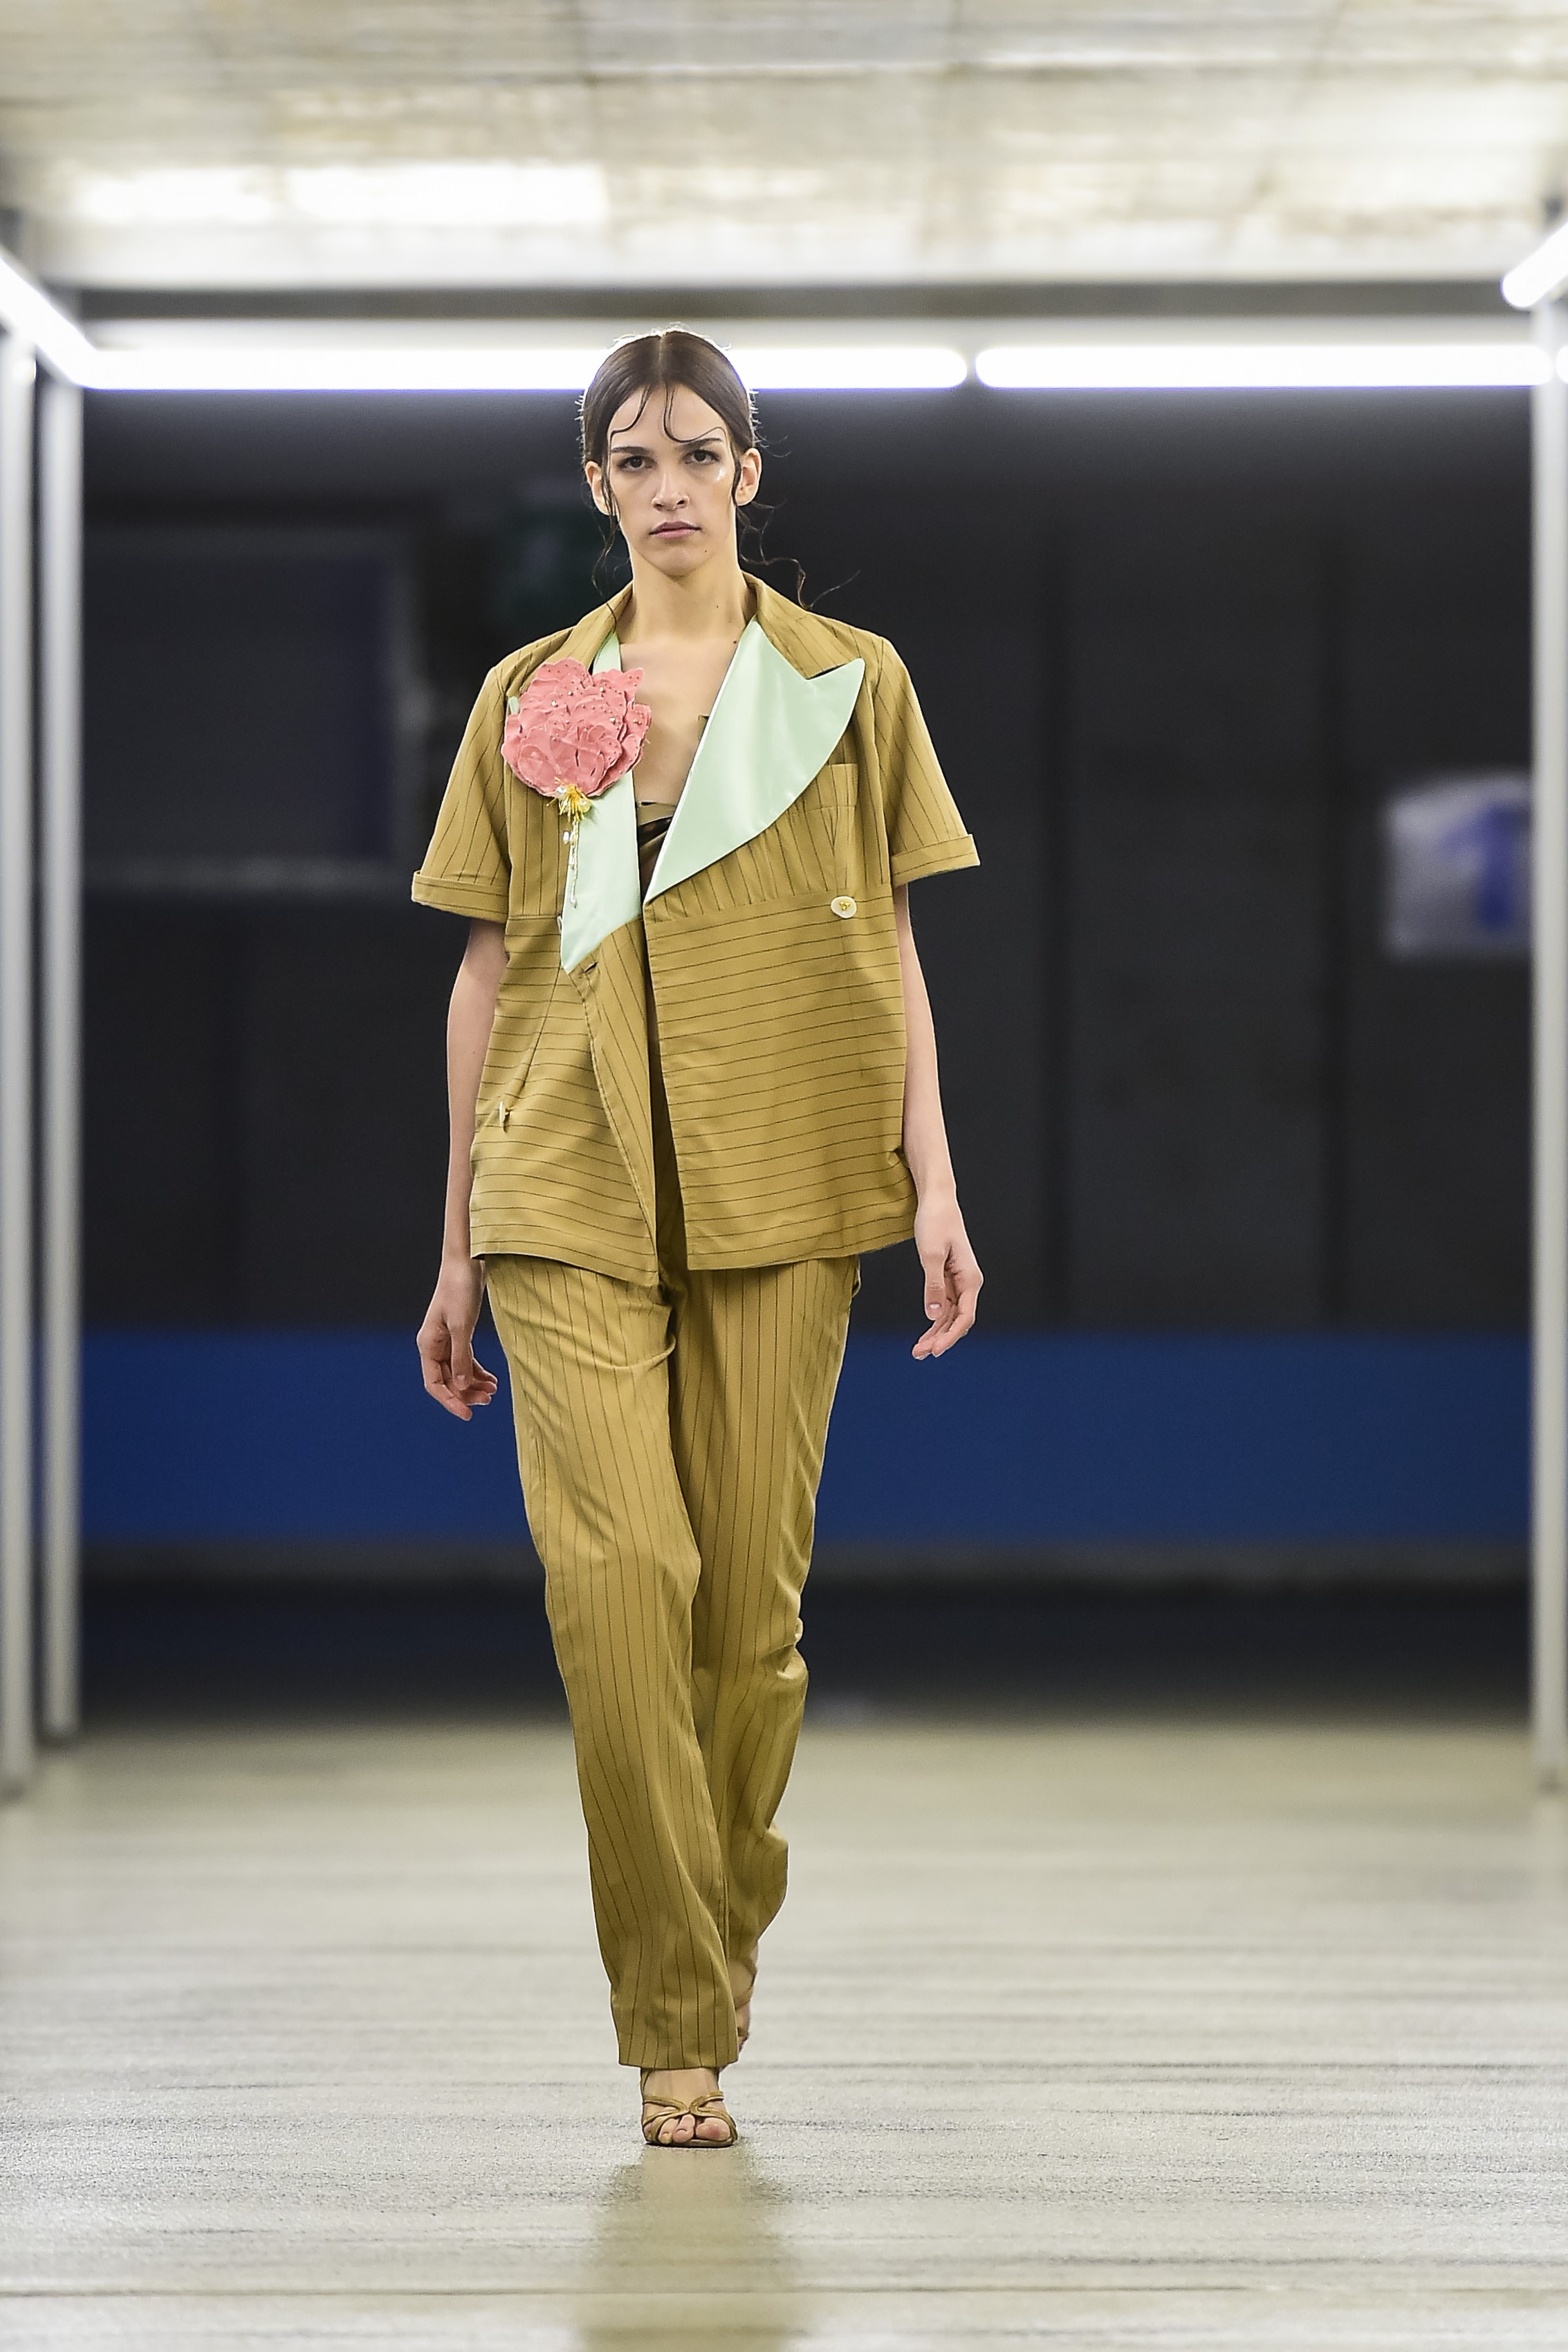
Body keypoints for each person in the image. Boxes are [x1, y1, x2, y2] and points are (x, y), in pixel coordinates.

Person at [414, 330, 981, 2147]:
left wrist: (936, 1183)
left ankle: (714, 1939)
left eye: (697, 453)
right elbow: (488, 966)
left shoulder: (850, 682)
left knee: (748, 1620)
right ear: (597, 487)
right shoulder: (529, 693)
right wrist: (454, 1243)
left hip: (788, 1176)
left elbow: (895, 942)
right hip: (560, 1184)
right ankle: (673, 2017)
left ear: (749, 471)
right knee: (616, 1588)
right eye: (634, 459)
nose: (668, 487)